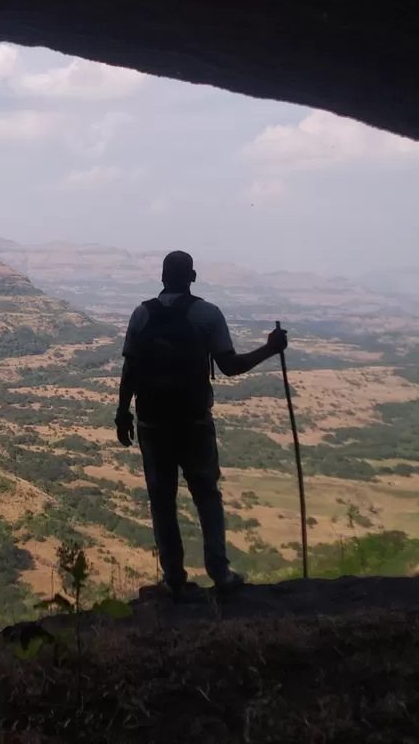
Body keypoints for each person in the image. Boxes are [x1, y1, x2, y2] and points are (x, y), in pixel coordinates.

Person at [116, 250, 287, 600]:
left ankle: (173, 578)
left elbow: (130, 369)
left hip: (151, 422)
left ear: (162, 277)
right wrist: (270, 349)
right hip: (193, 421)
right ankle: (220, 574)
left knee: (162, 500)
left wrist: (123, 413)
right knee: (207, 495)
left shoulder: (141, 314)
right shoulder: (208, 314)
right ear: (192, 277)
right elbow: (230, 366)